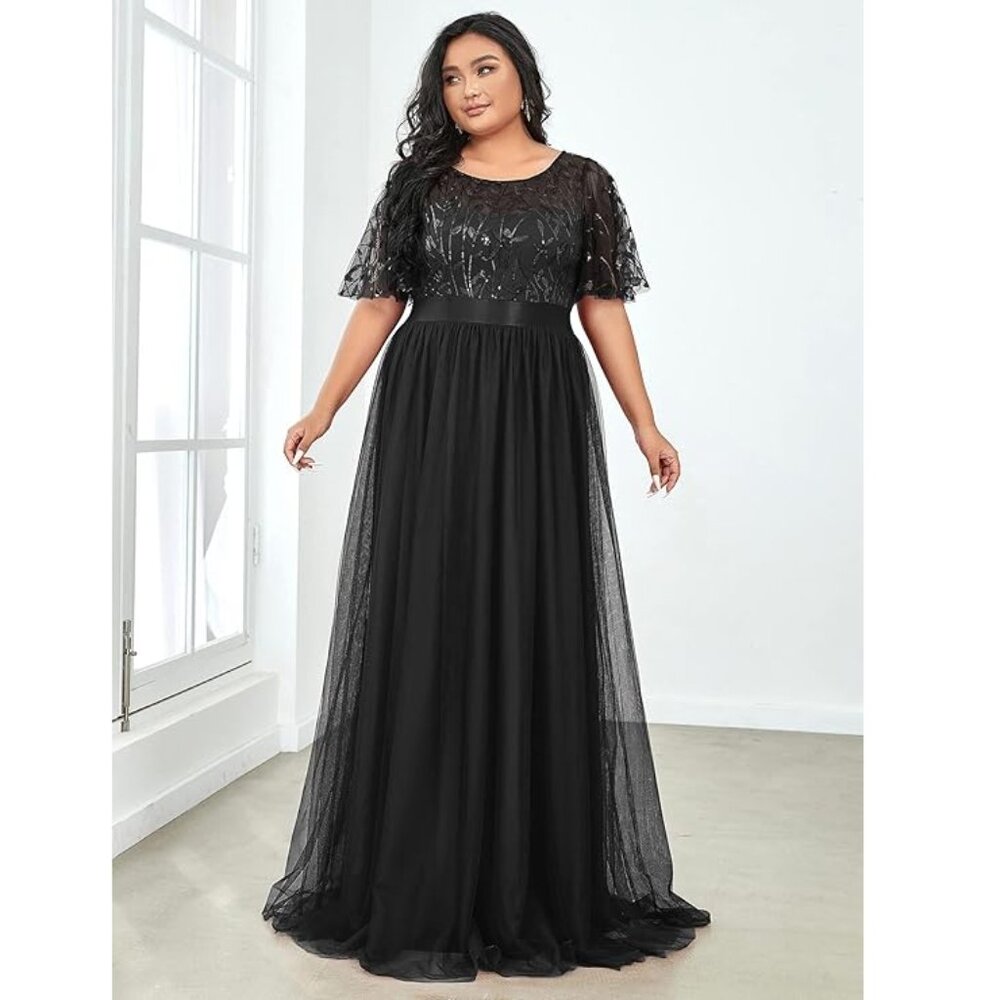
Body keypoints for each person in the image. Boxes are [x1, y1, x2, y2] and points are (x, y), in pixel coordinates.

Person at [261, 11, 711, 983]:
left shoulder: (584, 184)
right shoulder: (416, 185)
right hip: (430, 403)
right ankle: (421, 869)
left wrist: (645, 422)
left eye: (485, 68)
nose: (467, 89)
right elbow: (380, 302)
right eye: (450, 77)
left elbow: (601, 308)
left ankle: (525, 875)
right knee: (430, 610)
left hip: (539, 404)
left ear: (522, 77)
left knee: (532, 608)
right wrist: (324, 407)